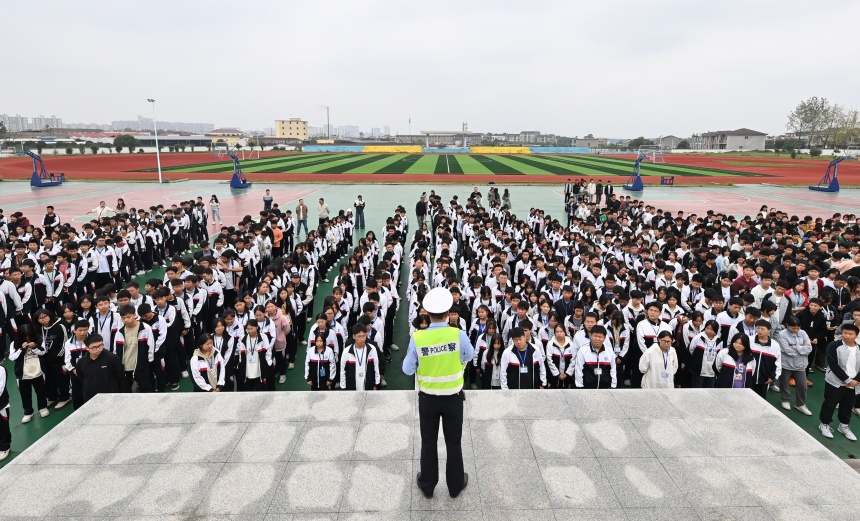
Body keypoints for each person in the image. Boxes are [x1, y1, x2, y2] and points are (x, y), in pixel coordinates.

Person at [402, 287, 474, 500]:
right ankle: (455, 485)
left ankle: (427, 485)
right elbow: (469, 355)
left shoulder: (418, 337)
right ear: (448, 312)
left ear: (427, 313)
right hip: (453, 398)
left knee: (429, 441)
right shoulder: (458, 334)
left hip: (428, 398)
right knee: (453, 442)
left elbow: (407, 369)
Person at [819, 323, 860, 441]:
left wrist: (855, 380)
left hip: (854, 384)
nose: (847, 336)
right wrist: (847, 379)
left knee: (847, 406)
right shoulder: (834, 345)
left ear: (856, 335)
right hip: (835, 382)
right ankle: (824, 424)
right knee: (830, 404)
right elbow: (833, 364)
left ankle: (844, 426)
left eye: (850, 334)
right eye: (845, 333)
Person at [9, 323, 49, 422]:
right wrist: (22, 349)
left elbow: (43, 352)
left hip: (38, 371)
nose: (27, 338)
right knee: (25, 394)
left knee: (40, 391)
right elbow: (12, 357)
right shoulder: (14, 343)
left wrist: (35, 347)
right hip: (23, 374)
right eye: (25, 336)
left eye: (29, 335)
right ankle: (28, 412)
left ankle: (42, 408)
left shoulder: (39, 339)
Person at [74, 333, 125, 405]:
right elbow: (81, 379)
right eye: (94, 347)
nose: (98, 349)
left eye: (100, 346)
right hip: (90, 399)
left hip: (111, 398)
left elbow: (121, 378)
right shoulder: (81, 362)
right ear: (87, 348)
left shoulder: (112, 358)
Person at [778, 317, 813, 415]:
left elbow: (809, 349)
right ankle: (785, 400)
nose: (796, 330)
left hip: (801, 365)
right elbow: (787, 351)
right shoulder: (782, 334)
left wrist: (794, 347)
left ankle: (800, 404)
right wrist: (802, 349)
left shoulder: (803, 333)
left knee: (802, 386)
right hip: (786, 364)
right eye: (793, 328)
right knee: (784, 383)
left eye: (798, 328)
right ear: (787, 325)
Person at [0, 362, 9, 461]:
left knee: (3, 426)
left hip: (1, 405)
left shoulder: (1, 369)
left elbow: (1, 388)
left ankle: (5, 447)